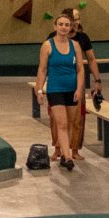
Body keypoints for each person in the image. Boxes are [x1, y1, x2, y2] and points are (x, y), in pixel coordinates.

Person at [33, 12, 86, 170]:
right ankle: (68, 157)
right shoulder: (47, 46)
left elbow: (80, 69)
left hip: (72, 89)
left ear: (71, 28)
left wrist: (79, 89)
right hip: (55, 89)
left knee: (70, 123)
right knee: (61, 124)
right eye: (61, 24)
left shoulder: (75, 45)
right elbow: (42, 70)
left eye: (67, 25)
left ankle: (64, 154)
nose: (64, 27)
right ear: (55, 26)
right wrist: (40, 90)